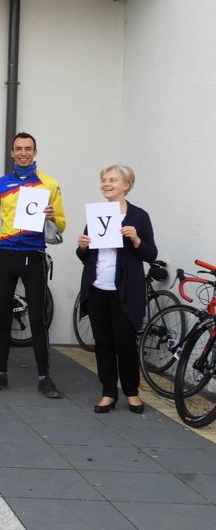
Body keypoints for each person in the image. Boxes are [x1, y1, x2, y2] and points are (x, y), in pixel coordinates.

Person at [0, 132, 65, 398]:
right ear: (12, 152)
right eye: (19, 149)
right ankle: (0, 373)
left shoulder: (49, 184)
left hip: (34, 255)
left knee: (38, 317)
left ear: (35, 152)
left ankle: (44, 377)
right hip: (6, 255)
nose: (23, 153)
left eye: (28, 149)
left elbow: (61, 225)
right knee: (2, 317)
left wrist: (53, 217)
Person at [76, 165, 156, 414]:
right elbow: (85, 256)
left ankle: (132, 392)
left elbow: (151, 254)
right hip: (97, 288)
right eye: (103, 180)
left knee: (125, 342)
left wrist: (136, 240)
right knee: (103, 343)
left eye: (112, 180)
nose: (106, 184)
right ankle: (108, 392)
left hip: (125, 291)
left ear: (126, 185)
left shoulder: (139, 216)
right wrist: (82, 246)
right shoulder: (98, 214)